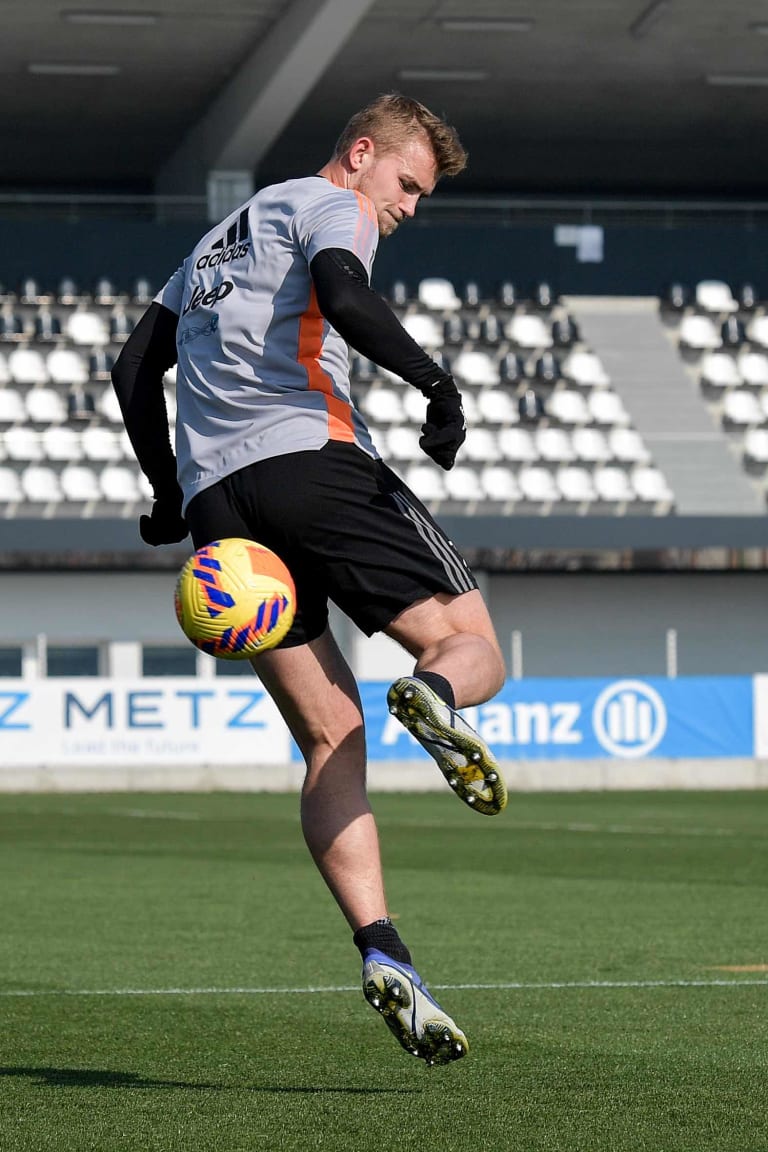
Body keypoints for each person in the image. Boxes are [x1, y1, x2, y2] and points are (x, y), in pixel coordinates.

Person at [112, 93, 507, 1067]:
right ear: (362, 153)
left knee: (332, 734)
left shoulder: (208, 249)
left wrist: (168, 493)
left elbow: (132, 370)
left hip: (221, 516)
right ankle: (435, 691)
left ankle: (386, 951)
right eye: (407, 184)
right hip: (312, 458)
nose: (407, 206)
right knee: (472, 646)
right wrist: (437, 384)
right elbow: (342, 286)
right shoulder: (329, 206)